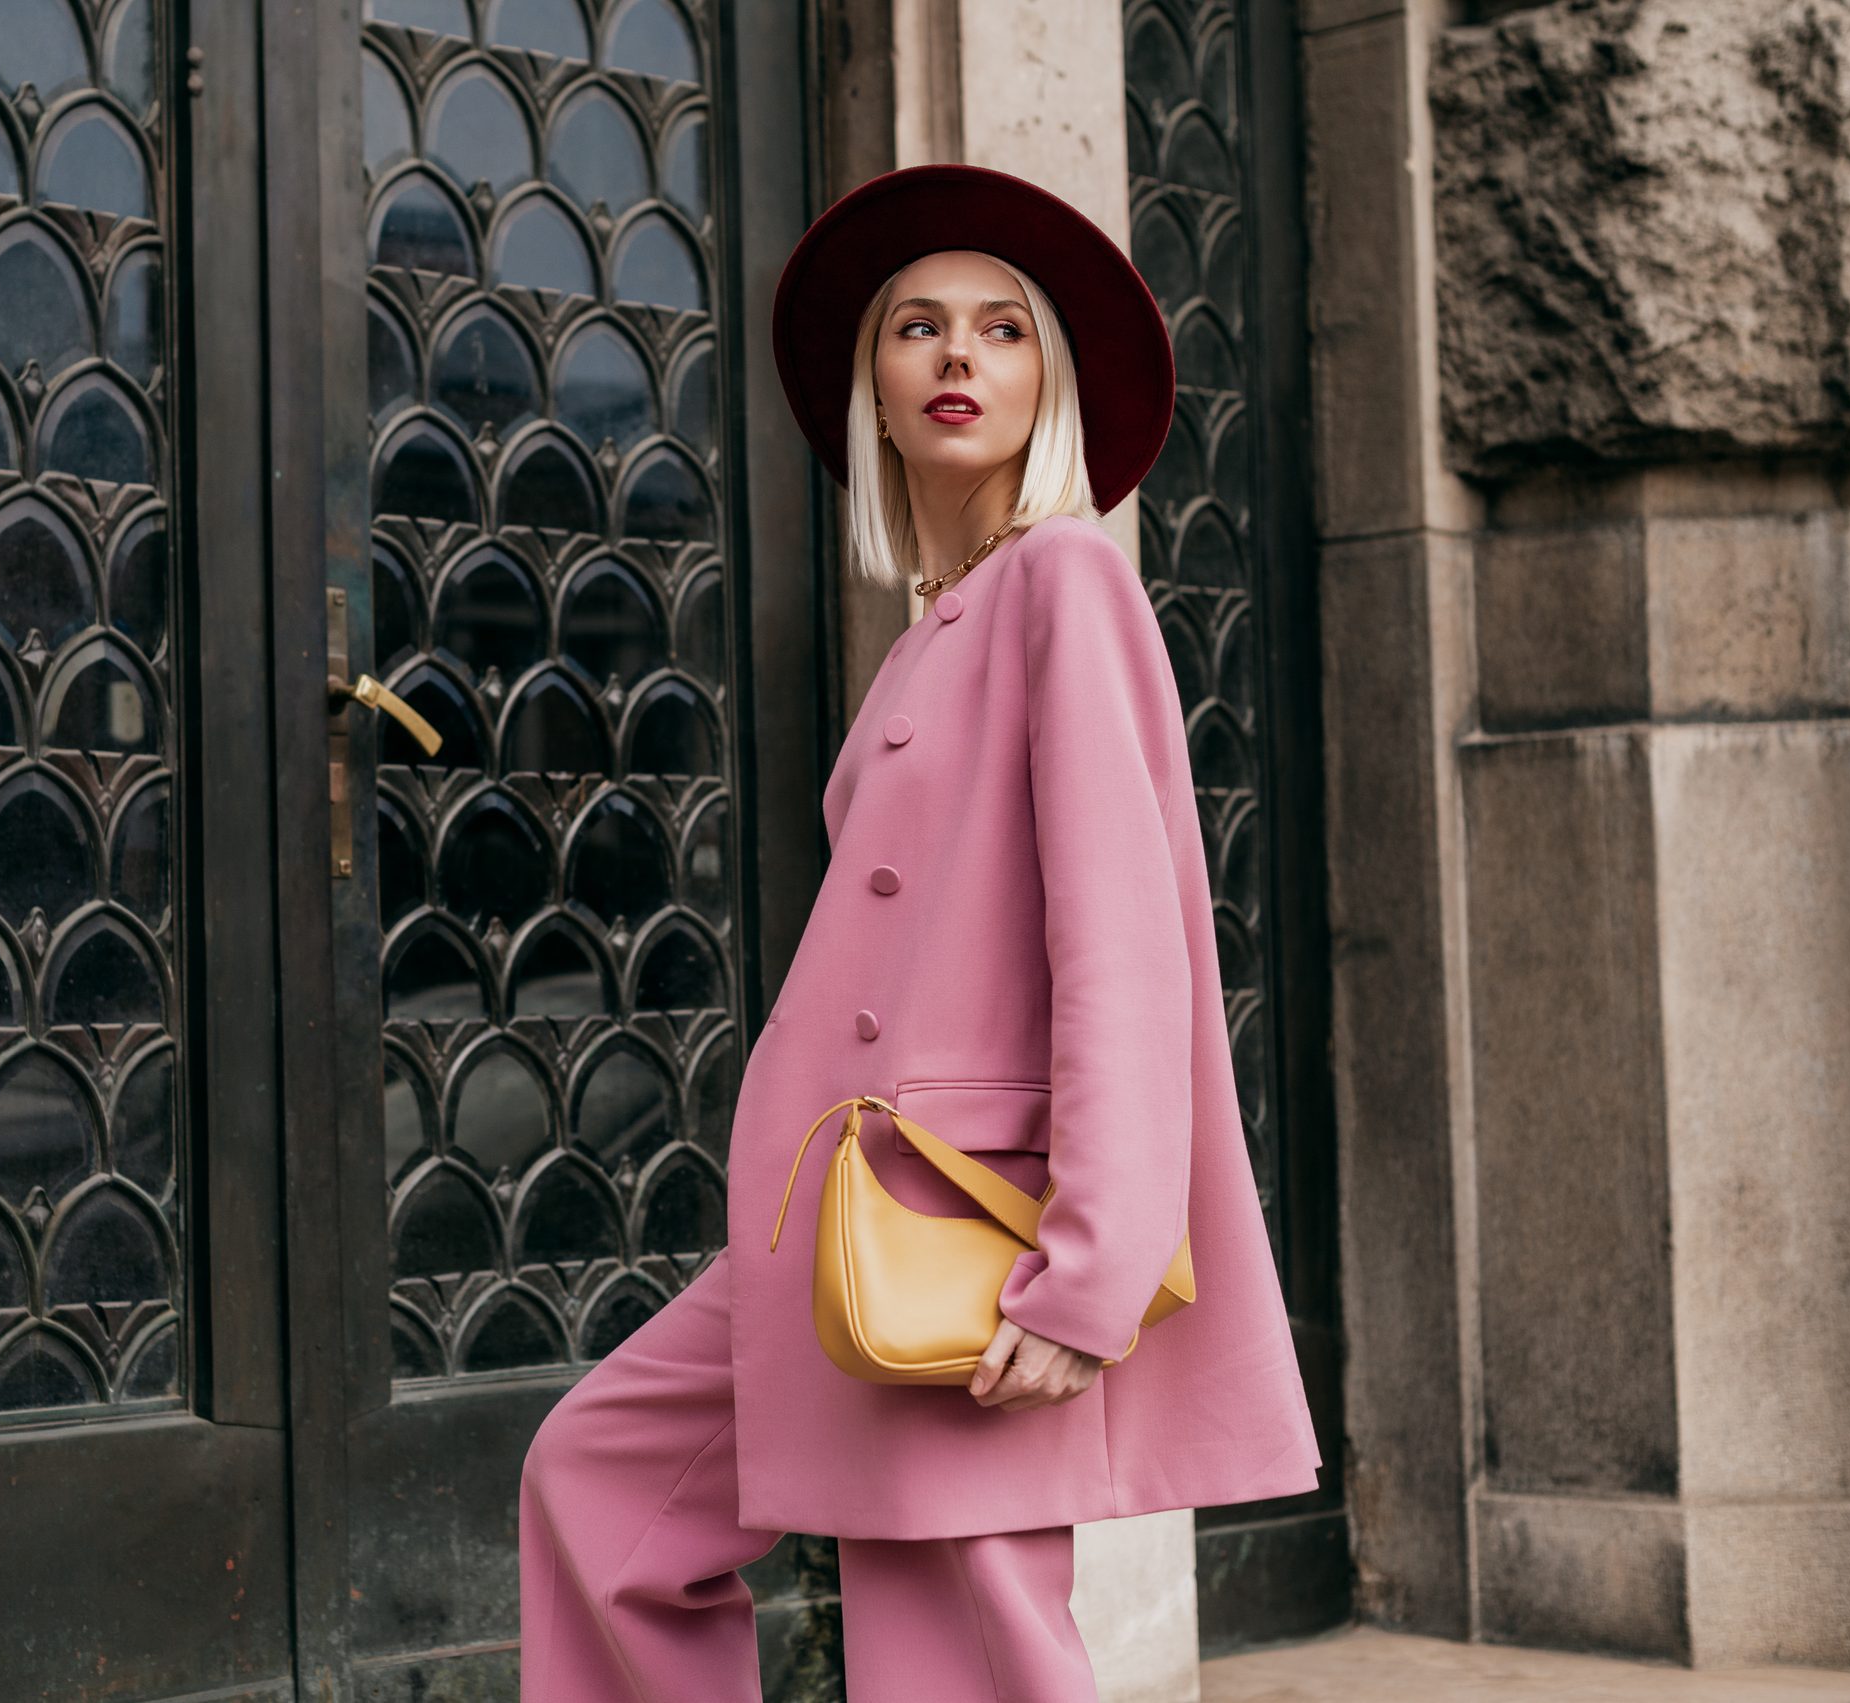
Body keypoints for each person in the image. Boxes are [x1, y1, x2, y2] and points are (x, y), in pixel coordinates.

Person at [516, 162, 1322, 1702]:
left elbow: (1124, 948)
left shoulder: (1067, 580)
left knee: (957, 1647)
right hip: (833, 1223)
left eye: (1005, 330)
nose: (960, 357)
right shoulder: (937, 626)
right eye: (919, 329)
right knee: (600, 1485)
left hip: (968, 1224)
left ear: (1051, 383)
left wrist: (1090, 1272)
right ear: (872, 394)